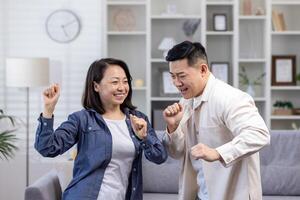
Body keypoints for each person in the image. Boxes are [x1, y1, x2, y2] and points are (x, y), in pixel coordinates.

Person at [35, 58, 167, 200]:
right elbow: (47, 148)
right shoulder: (82, 119)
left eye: (125, 81)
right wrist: (48, 110)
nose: (122, 87)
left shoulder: (139, 119)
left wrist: (144, 138)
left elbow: (160, 157)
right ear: (96, 86)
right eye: (115, 82)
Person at [162, 41, 270, 200]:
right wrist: (173, 127)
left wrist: (217, 153)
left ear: (203, 70)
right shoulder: (185, 102)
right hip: (199, 195)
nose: (176, 83)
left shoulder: (230, 98)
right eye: (173, 76)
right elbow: (176, 153)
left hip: (231, 194)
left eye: (182, 76)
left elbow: (259, 134)